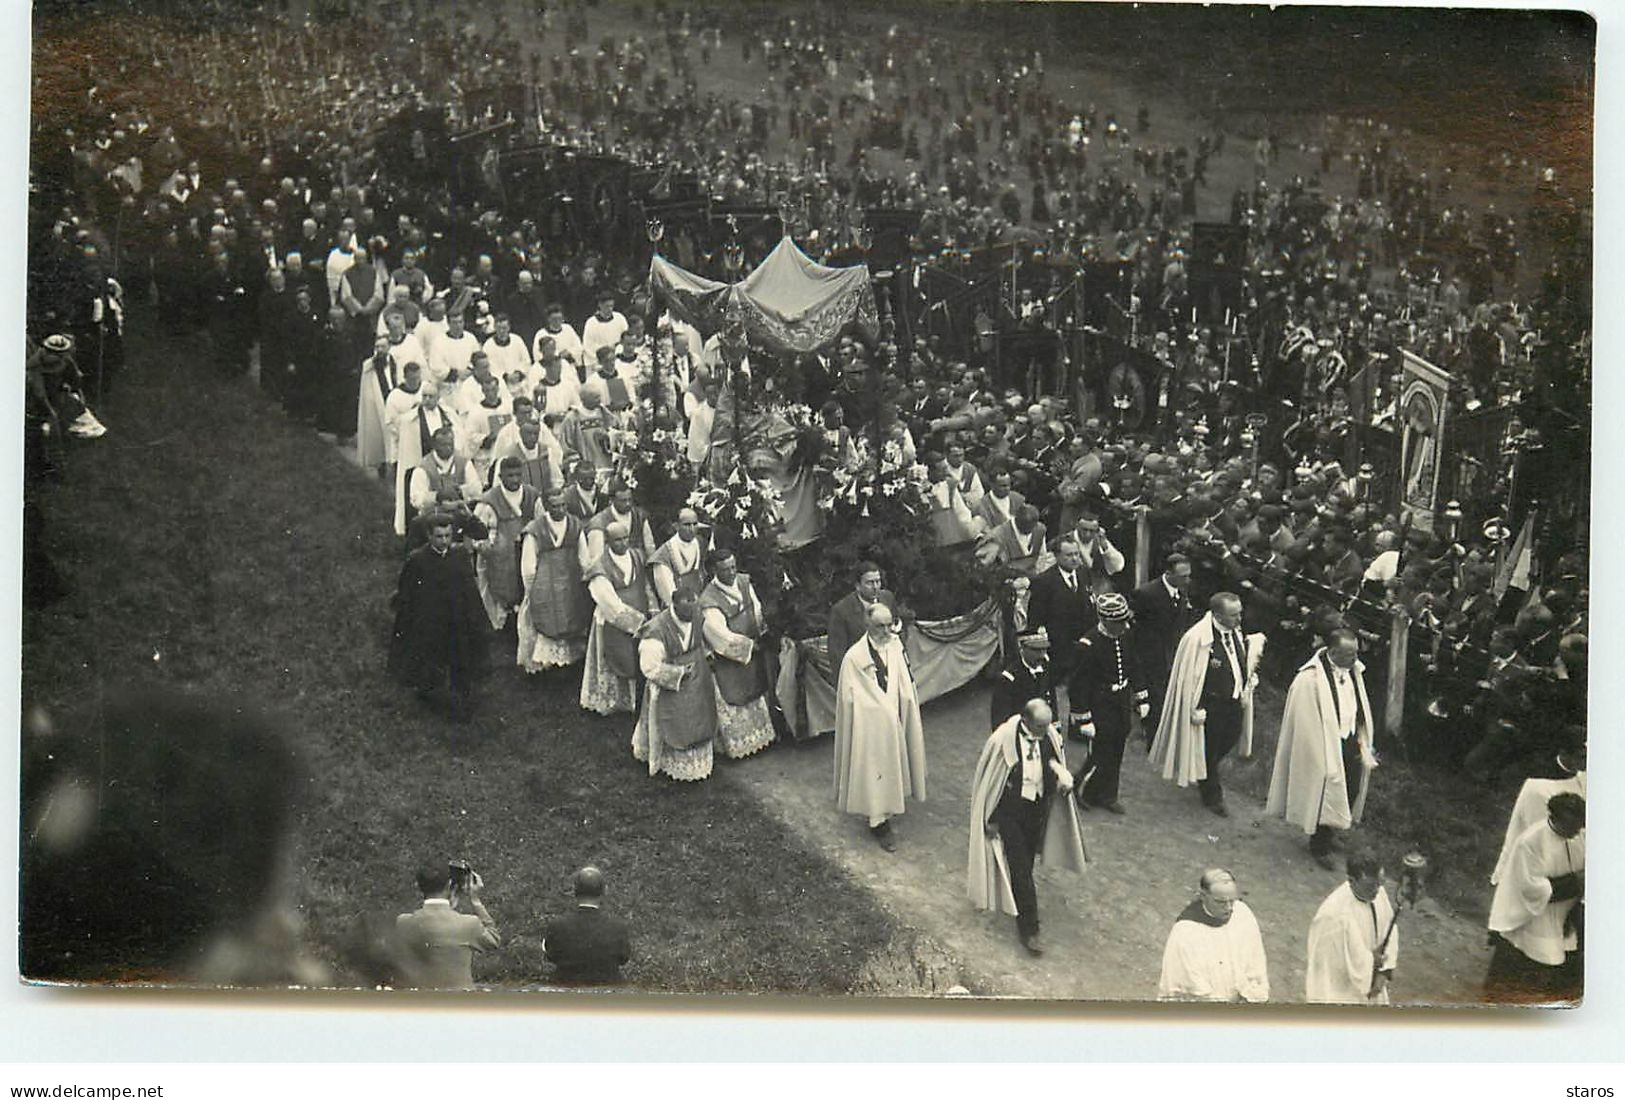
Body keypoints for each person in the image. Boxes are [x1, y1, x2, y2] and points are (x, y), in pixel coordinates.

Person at [967, 699, 1088, 956]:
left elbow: (1053, 762)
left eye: (1047, 725)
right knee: (1021, 871)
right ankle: (1029, 929)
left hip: (1037, 811)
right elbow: (992, 782)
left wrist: (1061, 778)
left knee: (1026, 865)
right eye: (1040, 725)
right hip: (1011, 813)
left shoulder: (1049, 736)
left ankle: (1019, 898)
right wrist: (992, 818)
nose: (1046, 730)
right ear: (1025, 721)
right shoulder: (1003, 740)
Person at [1265, 629, 1379, 869]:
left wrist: (1360, 734)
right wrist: (1321, 752)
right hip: (1325, 743)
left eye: (1357, 652)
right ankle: (1320, 844)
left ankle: (1331, 829)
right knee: (1325, 790)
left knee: (1350, 788)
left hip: (1349, 740)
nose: (1356, 658)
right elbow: (1306, 721)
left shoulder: (1354, 673)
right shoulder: (1311, 679)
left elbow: (1357, 703)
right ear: (1333, 652)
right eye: (1350, 654)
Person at [1148, 592, 1260, 816]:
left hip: (1234, 701)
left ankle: (1204, 773)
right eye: (1233, 615)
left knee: (1230, 740)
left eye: (1240, 613)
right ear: (1217, 615)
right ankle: (1212, 795)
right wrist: (1194, 707)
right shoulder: (1197, 639)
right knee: (1209, 748)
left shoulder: (1236, 633)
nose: (1239, 619)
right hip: (1211, 705)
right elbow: (1189, 676)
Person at [833, 603, 927, 851]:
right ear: (867, 624)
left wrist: (903, 701)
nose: (886, 631)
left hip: (896, 712)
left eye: (888, 625)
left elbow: (903, 678)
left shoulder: (895, 645)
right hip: (871, 724)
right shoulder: (854, 657)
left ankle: (891, 804)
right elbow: (849, 696)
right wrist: (876, 710)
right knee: (875, 766)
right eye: (879, 626)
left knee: (893, 762)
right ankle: (878, 821)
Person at [387, 512, 490, 719]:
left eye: (448, 536)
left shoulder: (459, 556)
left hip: (457, 617)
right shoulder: (418, 560)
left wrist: (475, 616)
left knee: (460, 656)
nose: (444, 541)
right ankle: (429, 692)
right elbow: (407, 592)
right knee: (431, 658)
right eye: (439, 536)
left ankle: (461, 698)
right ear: (429, 536)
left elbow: (469, 588)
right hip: (431, 619)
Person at [1486, 792, 1585, 1003]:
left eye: (1580, 825)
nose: (1578, 831)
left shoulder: (1576, 837)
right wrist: (1577, 882)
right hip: (1533, 916)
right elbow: (1532, 888)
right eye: (1573, 825)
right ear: (1555, 817)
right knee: (1526, 967)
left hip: (1566, 916)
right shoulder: (1531, 841)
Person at [1073, 592, 1151, 814]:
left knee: (1117, 748)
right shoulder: (1088, 644)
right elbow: (1078, 684)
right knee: (1100, 750)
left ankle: (1107, 794)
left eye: (1124, 620)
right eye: (1117, 622)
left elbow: (1133, 663)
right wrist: (1083, 717)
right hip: (1099, 703)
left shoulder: (1125, 634)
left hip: (1121, 700)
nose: (1123, 625)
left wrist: (1141, 695)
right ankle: (1082, 789)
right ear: (1104, 620)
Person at [632, 586, 720, 781]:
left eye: (694, 608)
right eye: (686, 610)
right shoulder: (656, 630)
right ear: (674, 605)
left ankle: (699, 760)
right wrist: (677, 673)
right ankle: (668, 761)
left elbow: (700, 642)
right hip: (671, 684)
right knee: (675, 720)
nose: (691, 614)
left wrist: (706, 656)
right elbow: (649, 667)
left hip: (697, 679)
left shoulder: (696, 615)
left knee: (699, 716)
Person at [697, 548, 777, 761]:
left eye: (733, 566)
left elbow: (755, 607)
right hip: (731, 657)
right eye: (725, 569)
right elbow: (718, 634)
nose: (731, 572)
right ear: (714, 570)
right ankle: (739, 746)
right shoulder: (709, 600)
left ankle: (764, 737)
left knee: (757, 689)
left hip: (753, 645)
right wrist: (749, 646)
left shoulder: (743, 581)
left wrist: (762, 630)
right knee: (735, 694)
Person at [1157, 868, 1270, 1003]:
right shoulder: (1186, 932)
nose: (1229, 908)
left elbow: (1256, 960)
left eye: (1232, 900)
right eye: (1221, 902)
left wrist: (1253, 994)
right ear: (1203, 896)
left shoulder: (1242, 913)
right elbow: (1190, 983)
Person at [1491, 736, 1587, 888]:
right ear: (1565, 753)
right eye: (1581, 756)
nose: (1586, 761)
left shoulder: (1584, 778)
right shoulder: (1540, 779)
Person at [1305, 852, 1398, 1004]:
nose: (1376, 891)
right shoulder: (1332, 916)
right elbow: (1329, 969)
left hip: (1373, 982)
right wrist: (1370, 966)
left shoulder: (1378, 893)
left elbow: (1390, 930)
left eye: (1379, 884)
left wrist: (1383, 972)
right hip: (1344, 992)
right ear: (1351, 880)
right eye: (1370, 886)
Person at [393, 862, 501, 991]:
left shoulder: (402, 923)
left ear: (418, 886)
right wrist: (476, 901)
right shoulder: (469, 924)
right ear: (449, 885)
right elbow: (494, 940)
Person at [580, 520, 651, 715]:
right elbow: (608, 602)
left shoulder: (637, 556)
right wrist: (637, 622)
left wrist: (650, 613)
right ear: (608, 541)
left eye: (625, 538)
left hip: (640, 611)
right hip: (612, 620)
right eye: (617, 540)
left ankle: (636, 699)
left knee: (637, 657)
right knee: (616, 657)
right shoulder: (600, 567)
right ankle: (615, 700)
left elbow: (645, 585)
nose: (622, 543)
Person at [517, 489, 591, 673]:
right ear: (547, 507)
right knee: (545, 620)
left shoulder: (575, 525)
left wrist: (586, 580)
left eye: (563, 505)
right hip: (544, 584)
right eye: (555, 506)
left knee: (571, 616)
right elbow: (528, 565)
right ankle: (545, 663)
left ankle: (571, 661)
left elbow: (584, 558)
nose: (560, 509)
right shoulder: (535, 529)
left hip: (570, 581)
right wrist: (530, 589)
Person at [471, 457, 543, 630]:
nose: (515, 480)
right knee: (497, 590)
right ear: (501, 476)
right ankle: (500, 625)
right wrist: (484, 545)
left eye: (518, 475)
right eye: (510, 476)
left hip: (526, 550)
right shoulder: (489, 501)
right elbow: (476, 532)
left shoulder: (532, 495)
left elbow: (541, 522)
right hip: (500, 555)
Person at [1130, 553, 1197, 728]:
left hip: (1173, 653)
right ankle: (1152, 732)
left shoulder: (1182, 590)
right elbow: (1134, 627)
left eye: (1188, 575)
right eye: (1183, 576)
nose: (1188, 580)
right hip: (1151, 655)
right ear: (1169, 573)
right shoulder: (1146, 594)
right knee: (1156, 696)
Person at [542, 867, 632, 985]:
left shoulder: (557, 926)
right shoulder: (618, 927)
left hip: (565, 986)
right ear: (602, 892)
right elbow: (624, 958)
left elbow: (550, 955)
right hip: (608, 987)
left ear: (575, 891)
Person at [826, 561, 901, 685]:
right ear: (858, 585)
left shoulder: (887, 599)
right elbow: (837, 655)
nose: (875, 587)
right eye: (870, 583)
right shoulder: (841, 611)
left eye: (878, 581)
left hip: (890, 672)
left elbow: (897, 630)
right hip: (860, 676)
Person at [990, 627, 1056, 729]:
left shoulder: (1045, 666)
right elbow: (1000, 722)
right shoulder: (1008, 679)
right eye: (1036, 650)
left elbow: (1051, 697)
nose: (1042, 655)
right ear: (1023, 648)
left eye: (1044, 649)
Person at [649, 508, 709, 608]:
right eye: (687, 525)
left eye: (695, 524)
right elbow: (667, 593)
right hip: (679, 608)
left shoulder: (700, 543)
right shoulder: (663, 557)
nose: (692, 529)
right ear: (676, 526)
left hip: (701, 604)